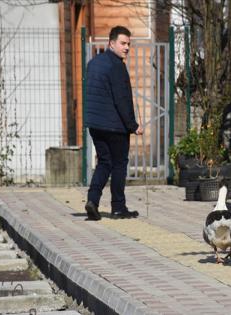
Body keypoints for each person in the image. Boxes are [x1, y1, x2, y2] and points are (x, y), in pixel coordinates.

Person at [84, 25, 143, 221]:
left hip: (94, 124)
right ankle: (118, 207)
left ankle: (92, 200)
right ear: (111, 43)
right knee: (118, 164)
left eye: (128, 44)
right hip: (114, 126)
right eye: (123, 43)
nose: (126, 47)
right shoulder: (117, 65)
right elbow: (121, 99)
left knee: (104, 162)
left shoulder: (93, 63)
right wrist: (133, 125)